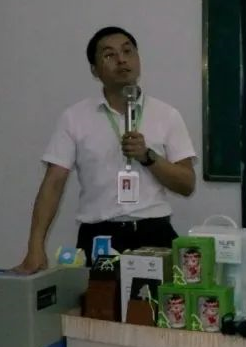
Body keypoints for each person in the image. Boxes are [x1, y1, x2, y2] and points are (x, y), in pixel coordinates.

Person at [14, 26, 196, 273]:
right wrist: (35, 247)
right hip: (99, 236)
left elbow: (187, 184)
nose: (121, 60)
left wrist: (148, 156)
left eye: (128, 51)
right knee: (95, 299)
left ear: (138, 59)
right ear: (94, 70)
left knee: (156, 299)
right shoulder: (74, 118)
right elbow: (53, 183)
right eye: (109, 55)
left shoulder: (167, 115)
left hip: (154, 234)